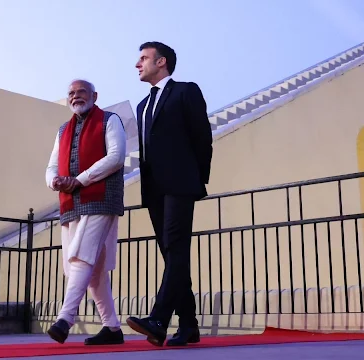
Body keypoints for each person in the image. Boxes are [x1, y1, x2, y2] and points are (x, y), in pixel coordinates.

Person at [125, 41, 213, 347]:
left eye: (143, 59)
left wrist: (196, 179)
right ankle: (189, 325)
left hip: (180, 184)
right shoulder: (142, 105)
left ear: (161, 62)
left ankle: (159, 319)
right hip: (154, 191)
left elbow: (202, 137)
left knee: (175, 248)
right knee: (173, 255)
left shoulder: (185, 91)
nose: (138, 64)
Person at [45, 79, 127, 345]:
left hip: (100, 197)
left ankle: (64, 320)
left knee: (79, 256)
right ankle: (112, 328)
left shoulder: (110, 120)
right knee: (94, 268)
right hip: (71, 201)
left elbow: (116, 157)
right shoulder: (62, 130)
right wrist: (54, 181)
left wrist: (80, 179)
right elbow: (52, 166)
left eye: (81, 92)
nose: (75, 96)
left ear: (94, 95)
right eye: (71, 93)